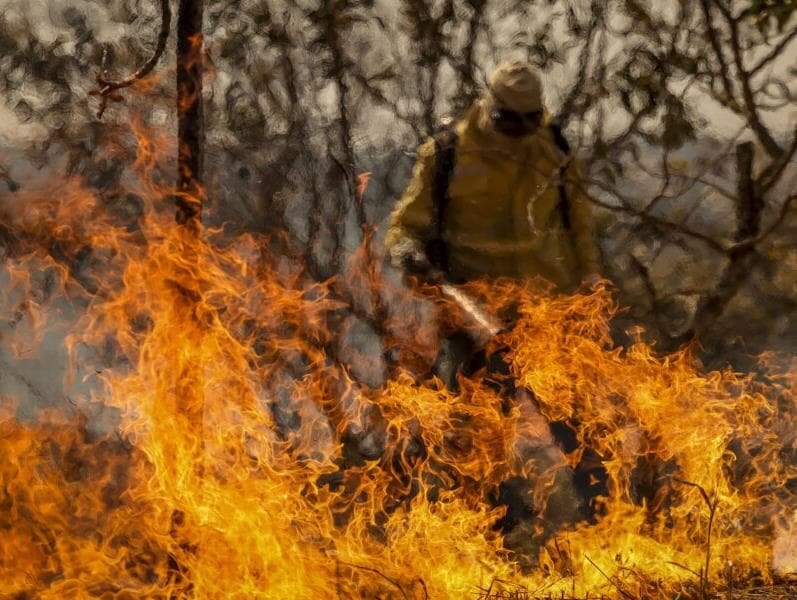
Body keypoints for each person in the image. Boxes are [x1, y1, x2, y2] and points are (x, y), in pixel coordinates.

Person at [384, 60, 603, 568]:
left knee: (577, 433)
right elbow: (405, 227)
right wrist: (410, 254)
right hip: (471, 321)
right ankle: (497, 550)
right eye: (509, 121)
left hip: (544, 317)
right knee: (482, 441)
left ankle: (605, 539)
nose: (518, 132)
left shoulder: (553, 149)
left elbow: (580, 223)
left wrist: (590, 281)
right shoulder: (447, 154)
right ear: (490, 108)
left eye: (528, 121)